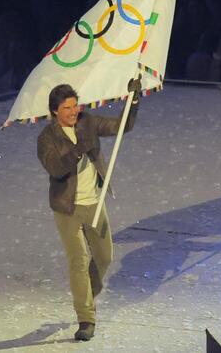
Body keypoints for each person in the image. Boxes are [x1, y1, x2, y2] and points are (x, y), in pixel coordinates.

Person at [37, 78, 141, 341]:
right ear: (54, 112)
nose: (73, 112)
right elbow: (56, 169)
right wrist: (77, 150)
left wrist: (134, 101)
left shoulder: (88, 121)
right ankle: (86, 318)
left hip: (95, 202)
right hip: (67, 209)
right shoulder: (46, 138)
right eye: (67, 108)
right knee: (78, 261)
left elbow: (121, 127)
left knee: (104, 257)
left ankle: (87, 294)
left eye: (75, 106)